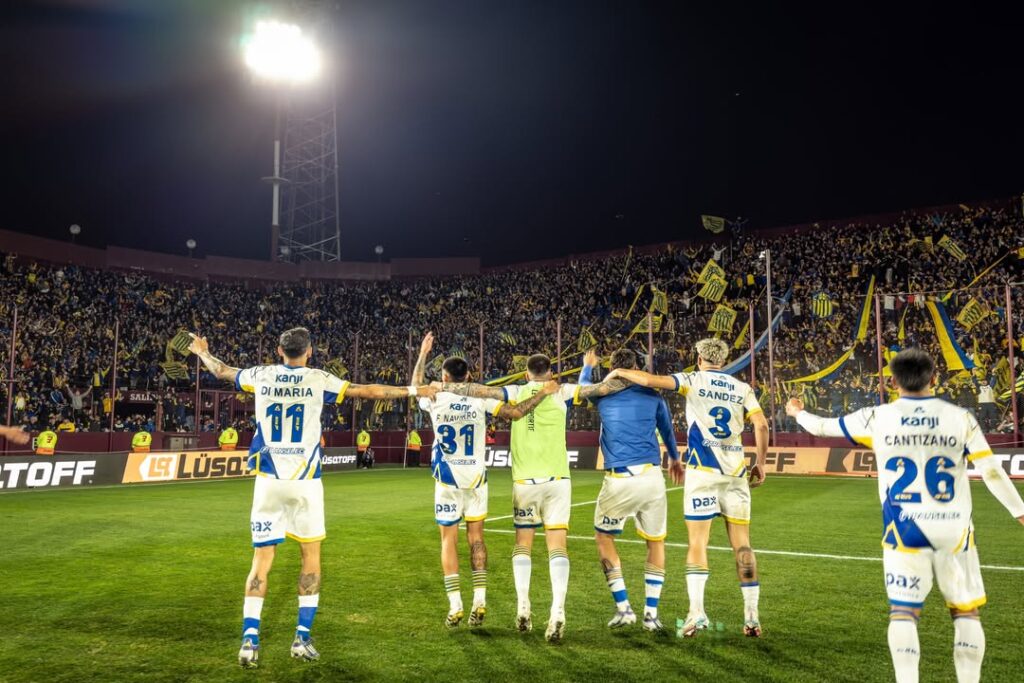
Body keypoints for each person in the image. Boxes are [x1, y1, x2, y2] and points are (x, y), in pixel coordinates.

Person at [189, 327, 438, 669]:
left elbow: (220, 371)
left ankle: (249, 640)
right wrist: (415, 389)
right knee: (310, 557)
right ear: (309, 353)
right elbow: (367, 391)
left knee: (261, 560)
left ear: (279, 350)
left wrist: (202, 351)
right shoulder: (318, 378)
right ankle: (301, 638)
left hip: (268, 480)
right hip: (305, 482)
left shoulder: (261, 375)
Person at [787, 348, 1024, 683]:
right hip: (954, 530)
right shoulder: (960, 418)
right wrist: (1020, 512)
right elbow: (992, 472)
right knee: (965, 611)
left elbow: (822, 427)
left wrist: (797, 412)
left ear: (893, 381)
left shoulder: (877, 417)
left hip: (904, 530)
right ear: (935, 378)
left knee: (904, 613)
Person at [437, 348, 630, 642]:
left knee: (523, 545)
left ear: (527, 374)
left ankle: (523, 607)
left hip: (526, 482)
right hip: (558, 480)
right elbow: (595, 389)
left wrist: (444, 385)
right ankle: (558, 611)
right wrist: (593, 368)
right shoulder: (561, 390)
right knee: (557, 547)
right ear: (550, 373)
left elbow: (479, 390)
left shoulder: (515, 390)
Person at [607, 337, 769, 638]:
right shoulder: (742, 388)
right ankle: (752, 617)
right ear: (724, 359)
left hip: (702, 473)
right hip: (735, 473)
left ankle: (696, 613)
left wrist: (620, 372)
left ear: (699, 358)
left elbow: (649, 379)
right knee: (743, 545)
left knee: (698, 544)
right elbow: (761, 425)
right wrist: (760, 462)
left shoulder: (693, 379)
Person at [412, 332, 560, 629]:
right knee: (477, 538)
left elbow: (415, 387)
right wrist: (542, 392)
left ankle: (455, 605)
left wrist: (423, 353)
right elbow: (516, 413)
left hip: (447, 480)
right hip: (477, 478)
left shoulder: (435, 397)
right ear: (469, 375)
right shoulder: (480, 399)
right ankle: (479, 600)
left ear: (443, 376)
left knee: (448, 541)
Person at [580, 349, 685, 633]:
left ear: (613, 368)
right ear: (637, 367)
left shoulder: (602, 394)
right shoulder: (654, 397)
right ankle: (651, 615)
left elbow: (580, 391)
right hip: (652, 477)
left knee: (603, 537)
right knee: (656, 543)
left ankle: (624, 608)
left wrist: (588, 367)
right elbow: (667, 430)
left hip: (620, 478)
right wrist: (675, 459)